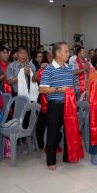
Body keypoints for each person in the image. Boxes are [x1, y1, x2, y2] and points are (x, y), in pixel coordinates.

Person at [39, 42, 74, 171]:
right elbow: (42, 89)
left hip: (68, 105)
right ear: (57, 53)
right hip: (55, 105)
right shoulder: (49, 69)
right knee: (52, 133)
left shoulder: (69, 68)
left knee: (68, 131)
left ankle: (67, 157)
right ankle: (51, 161)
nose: (68, 53)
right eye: (65, 51)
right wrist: (59, 90)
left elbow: (71, 86)